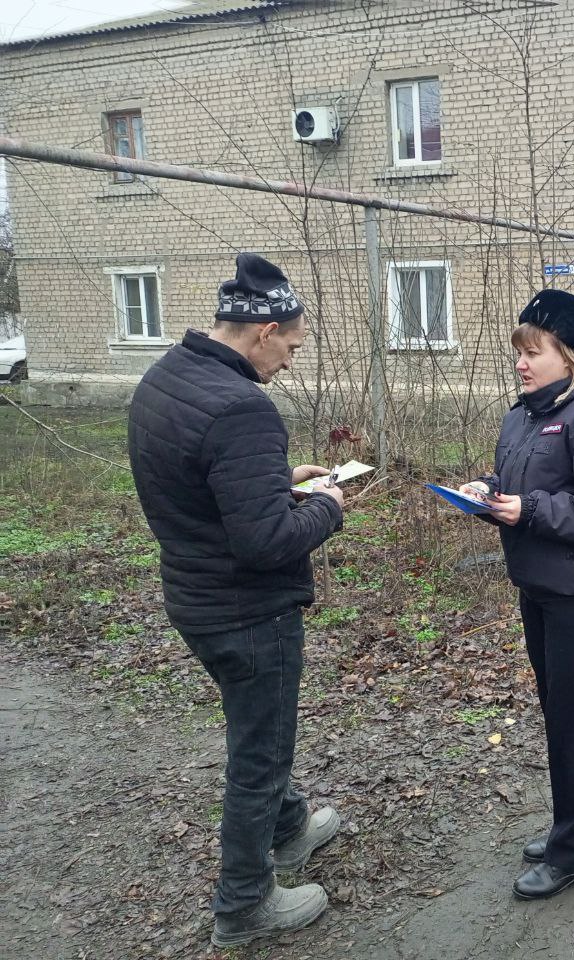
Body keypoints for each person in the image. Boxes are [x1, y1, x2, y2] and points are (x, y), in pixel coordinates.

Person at [127, 253, 346, 948]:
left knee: (258, 734)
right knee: (261, 752)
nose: (289, 361)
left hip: (194, 597)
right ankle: (245, 903)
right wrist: (329, 506)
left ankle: (289, 830)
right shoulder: (243, 407)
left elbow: (198, 485)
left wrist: (275, 478)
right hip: (248, 612)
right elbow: (265, 544)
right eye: (291, 346)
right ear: (263, 333)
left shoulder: (169, 378)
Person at [463, 289, 574, 900]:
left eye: (532, 351)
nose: (520, 362)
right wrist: (488, 492)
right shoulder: (526, 415)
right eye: (518, 350)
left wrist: (529, 509)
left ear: (568, 355)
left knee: (573, 721)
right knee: (561, 715)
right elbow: (522, 487)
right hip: (539, 586)